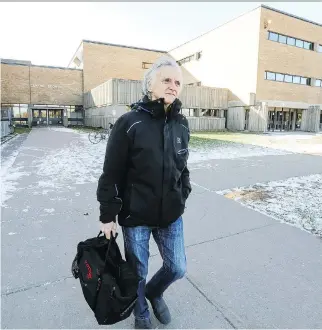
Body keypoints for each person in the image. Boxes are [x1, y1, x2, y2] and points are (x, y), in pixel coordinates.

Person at [97, 56, 192, 329]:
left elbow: (182, 167)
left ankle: (154, 292)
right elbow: (111, 173)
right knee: (138, 270)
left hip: (171, 214)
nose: (173, 86)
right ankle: (140, 311)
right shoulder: (129, 123)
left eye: (177, 82)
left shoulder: (182, 124)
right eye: (166, 80)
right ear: (150, 85)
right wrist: (107, 216)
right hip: (136, 215)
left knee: (177, 268)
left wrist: (183, 193)